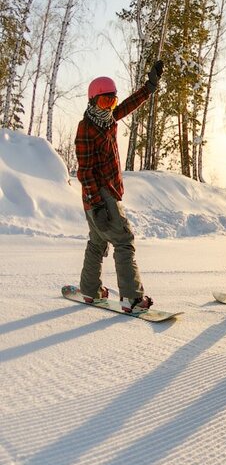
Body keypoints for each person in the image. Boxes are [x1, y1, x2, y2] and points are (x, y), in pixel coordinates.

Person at [75, 60, 164, 313]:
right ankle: (132, 298)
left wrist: (150, 86)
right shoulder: (86, 127)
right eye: (105, 102)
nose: (110, 107)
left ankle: (90, 290)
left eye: (112, 101)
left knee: (97, 241)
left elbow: (129, 105)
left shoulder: (108, 119)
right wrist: (98, 203)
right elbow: (85, 171)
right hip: (100, 194)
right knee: (124, 241)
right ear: (92, 101)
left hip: (101, 194)